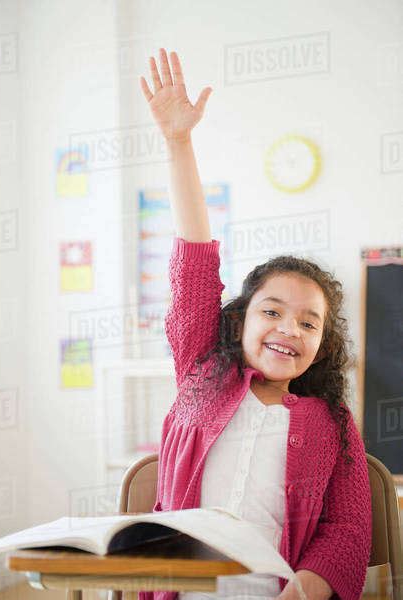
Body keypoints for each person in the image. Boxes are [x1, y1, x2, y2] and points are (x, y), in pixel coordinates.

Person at [138, 48, 372, 600]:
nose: (290, 329)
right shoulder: (201, 374)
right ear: (239, 322)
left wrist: (305, 588)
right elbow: (194, 265)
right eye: (272, 312)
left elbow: (349, 530)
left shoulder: (332, 422)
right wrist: (179, 143)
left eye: (309, 323)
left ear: (323, 344)